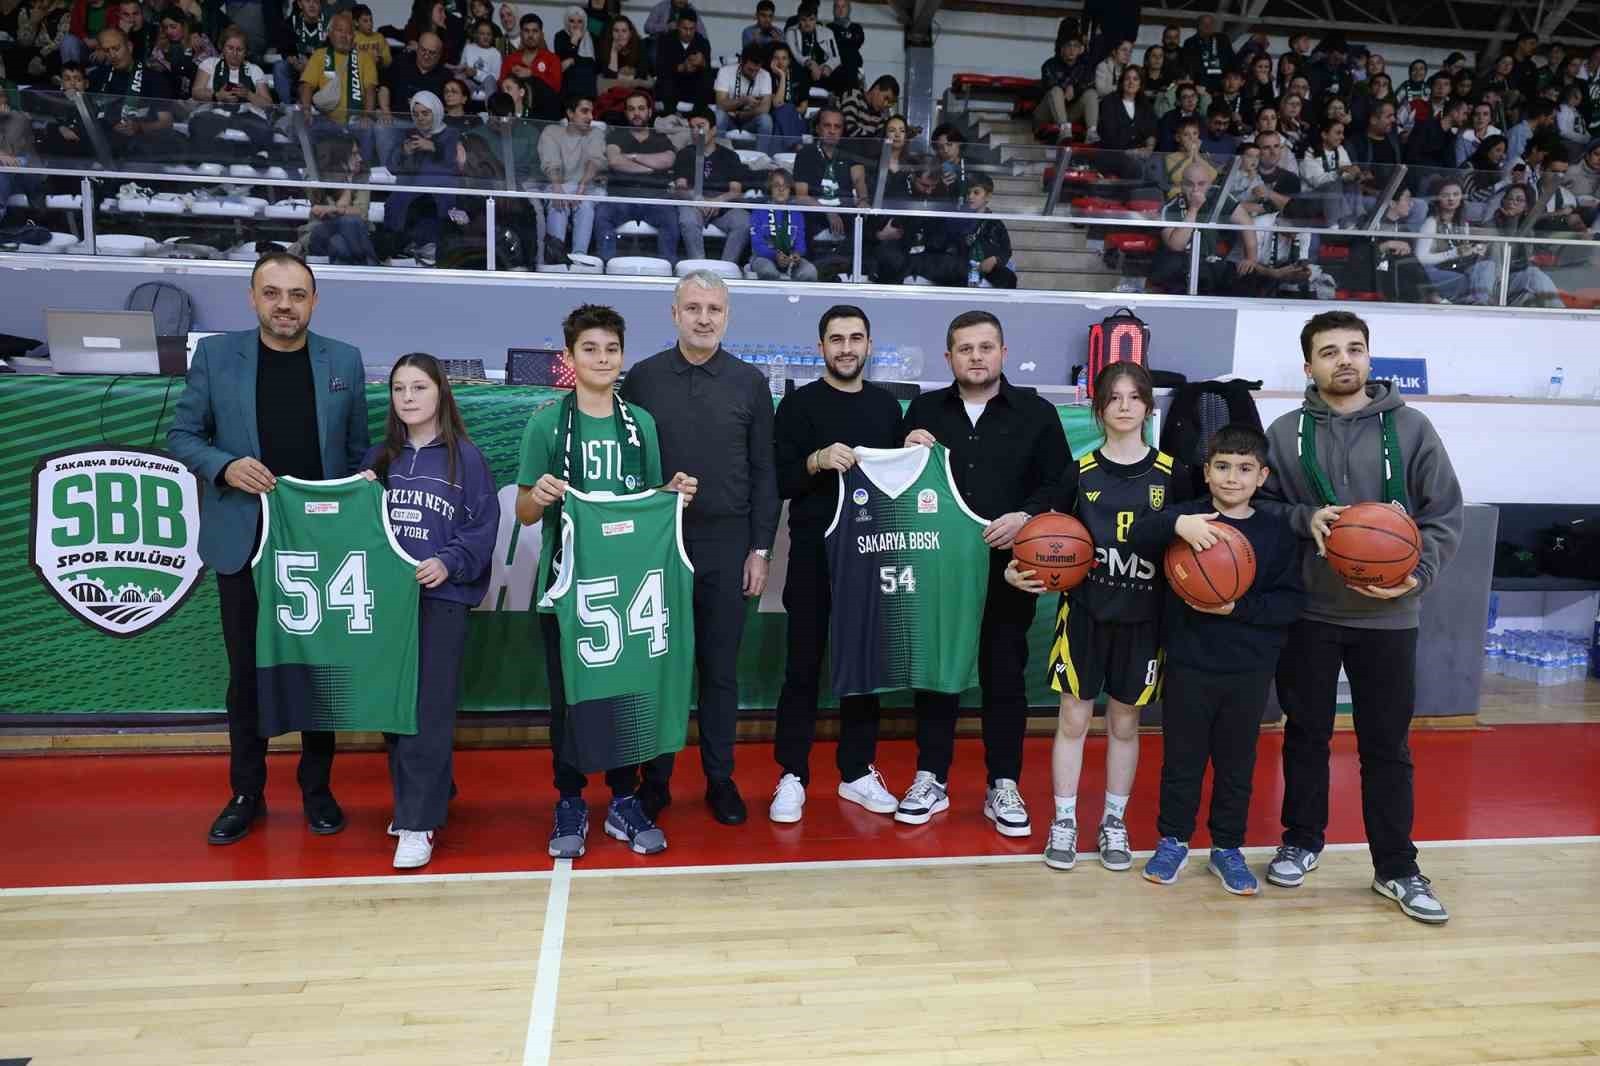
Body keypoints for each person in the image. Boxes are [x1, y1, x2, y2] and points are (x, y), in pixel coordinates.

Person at [1258, 310, 1464, 924]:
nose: (1344, 360)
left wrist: (1416, 575)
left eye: (1354, 348)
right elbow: (1260, 506)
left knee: (1386, 745)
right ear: (1309, 366)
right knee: (1306, 734)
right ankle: (1301, 840)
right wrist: (1305, 518)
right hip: (1311, 610)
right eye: (1329, 352)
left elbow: (1444, 514)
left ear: (1370, 358)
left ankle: (1396, 867)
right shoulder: (1285, 432)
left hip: (1390, 614)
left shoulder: (1413, 427)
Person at [166, 254, 368, 847]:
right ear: (252, 298)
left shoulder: (344, 360)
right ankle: (246, 793)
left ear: (314, 301)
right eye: (273, 293)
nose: (285, 305)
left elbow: (357, 449)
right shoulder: (216, 356)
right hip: (244, 539)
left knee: (319, 671)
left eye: (298, 294)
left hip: (319, 544)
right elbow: (183, 435)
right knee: (246, 675)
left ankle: (317, 788)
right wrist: (224, 466)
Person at [516, 304, 698, 859]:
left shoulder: (640, 424)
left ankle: (623, 799)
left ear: (623, 356)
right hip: (568, 586)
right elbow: (524, 511)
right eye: (589, 349)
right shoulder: (547, 424)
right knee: (570, 700)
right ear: (569, 357)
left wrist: (672, 493)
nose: (602, 359)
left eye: (611, 349)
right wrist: (538, 495)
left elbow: (649, 503)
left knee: (625, 692)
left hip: (629, 587)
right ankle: (570, 799)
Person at [1003, 362, 1188, 869]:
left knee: (1125, 723)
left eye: (1135, 397)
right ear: (1098, 408)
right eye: (1114, 397)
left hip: (1144, 619)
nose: (1124, 406)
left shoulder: (1174, 474)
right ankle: (1064, 820)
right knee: (1073, 717)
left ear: (1148, 407)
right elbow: (1043, 538)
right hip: (1084, 613)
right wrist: (1018, 570)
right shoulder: (1080, 472)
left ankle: (1113, 821)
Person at [897, 311, 1069, 835]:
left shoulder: (1036, 412)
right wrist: (904, 454)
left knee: (1004, 674)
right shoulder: (924, 411)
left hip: (1009, 567)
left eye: (986, 347)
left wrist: (1026, 518)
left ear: (1003, 353)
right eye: (965, 348)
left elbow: (1061, 484)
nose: (976, 356)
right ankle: (931, 776)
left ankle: (1004, 783)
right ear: (949, 357)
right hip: (940, 567)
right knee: (938, 672)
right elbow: (895, 490)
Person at [619, 272, 780, 826]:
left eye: (714, 309)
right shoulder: (643, 379)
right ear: (675, 313)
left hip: (727, 542)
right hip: (658, 542)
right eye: (693, 308)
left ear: (727, 316)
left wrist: (760, 548)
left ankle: (719, 778)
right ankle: (654, 780)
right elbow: (627, 463)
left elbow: (765, 471)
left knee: (719, 669)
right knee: (659, 667)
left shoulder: (749, 383)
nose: (704, 318)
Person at [1133, 425, 1304, 895]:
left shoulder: (1275, 532)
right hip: (1189, 661)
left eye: (1245, 469)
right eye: (1222, 467)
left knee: (1236, 764)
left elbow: (1290, 603)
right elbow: (1138, 535)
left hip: (1249, 668)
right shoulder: (1187, 516)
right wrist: (1177, 525)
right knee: (1181, 760)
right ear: (1206, 472)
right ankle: (1173, 841)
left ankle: (1227, 848)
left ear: (1262, 476)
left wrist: (1237, 608)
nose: (1232, 478)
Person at [358, 354, 497, 869]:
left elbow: (482, 527)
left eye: (419, 387)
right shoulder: (378, 459)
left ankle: (418, 821)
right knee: (394, 709)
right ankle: (423, 796)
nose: (408, 397)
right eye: (399, 388)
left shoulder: (467, 459)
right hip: (387, 605)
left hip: (440, 602)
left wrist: (448, 562)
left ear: (440, 392)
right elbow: (357, 528)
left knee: (427, 712)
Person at [767, 305, 904, 822]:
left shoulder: (887, 408)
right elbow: (781, 479)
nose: (847, 348)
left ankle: (857, 771)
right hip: (812, 555)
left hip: (870, 555)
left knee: (863, 666)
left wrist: (915, 448)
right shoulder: (798, 405)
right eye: (837, 339)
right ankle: (792, 775)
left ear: (869, 345)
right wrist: (816, 460)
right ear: (821, 346)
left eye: (856, 338)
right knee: (802, 665)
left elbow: (901, 483)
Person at [595, 88, 680, 263]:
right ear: (626, 112)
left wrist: (633, 157)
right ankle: (606, 265)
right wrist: (652, 166)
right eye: (631, 109)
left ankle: (668, 267)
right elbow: (615, 161)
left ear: (649, 112)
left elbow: (668, 161)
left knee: (671, 218)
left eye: (641, 108)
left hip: (655, 199)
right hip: (621, 197)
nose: (636, 113)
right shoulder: (616, 135)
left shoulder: (660, 138)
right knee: (602, 215)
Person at [383, 90, 459, 262]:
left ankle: (427, 246)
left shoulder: (451, 134)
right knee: (397, 201)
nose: (420, 118)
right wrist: (403, 152)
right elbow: (391, 166)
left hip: (439, 190)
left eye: (425, 113)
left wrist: (433, 147)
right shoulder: (408, 134)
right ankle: (402, 247)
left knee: (428, 203)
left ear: (436, 112)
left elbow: (456, 163)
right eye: (416, 114)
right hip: (410, 188)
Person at [86, 28, 182, 159]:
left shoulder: (154, 79)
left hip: (140, 149)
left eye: (116, 48)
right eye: (107, 51)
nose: (112, 55)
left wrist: (140, 127)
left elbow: (166, 122)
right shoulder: (96, 77)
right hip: (101, 146)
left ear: (129, 47)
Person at [673, 106, 750, 264]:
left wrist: (717, 201)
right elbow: (680, 188)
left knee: (744, 221)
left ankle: (726, 269)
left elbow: (736, 191)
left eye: (700, 126)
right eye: (692, 127)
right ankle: (698, 268)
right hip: (694, 205)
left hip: (722, 207)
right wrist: (698, 199)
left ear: (713, 130)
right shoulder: (684, 154)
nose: (696, 131)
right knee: (687, 220)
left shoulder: (730, 156)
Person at [537, 92, 605, 257]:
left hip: (587, 187)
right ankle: (555, 256)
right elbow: (551, 162)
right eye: (584, 111)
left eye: (591, 112)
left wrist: (582, 185)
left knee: (585, 205)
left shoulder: (595, 133)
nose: (590, 117)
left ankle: (579, 258)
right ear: (570, 113)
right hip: (558, 185)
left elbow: (595, 160)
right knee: (557, 203)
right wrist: (557, 187)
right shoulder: (552, 132)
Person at [189, 24, 273, 156]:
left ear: (246, 52)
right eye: (230, 48)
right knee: (199, 124)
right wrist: (218, 96)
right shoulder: (209, 64)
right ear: (222, 47)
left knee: (264, 129)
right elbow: (196, 92)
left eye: (239, 50)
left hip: (246, 117)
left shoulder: (255, 70)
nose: (234, 53)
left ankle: (257, 159)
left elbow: (268, 104)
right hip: (213, 114)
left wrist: (248, 94)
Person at [793, 105, 868, 252]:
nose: (832, 131)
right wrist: (829, 212)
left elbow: (859, 181)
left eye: (837, 127)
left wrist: (863, 200)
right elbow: (801, 196)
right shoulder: (806, 153)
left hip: (845, 213)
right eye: (827, 125)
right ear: (818, 128)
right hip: (815, 215)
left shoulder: (849, 152)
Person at [298, 135, 379, 264]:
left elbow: (362, 213)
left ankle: (363, 264)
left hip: (349, 235)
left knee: (340, 243)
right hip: (319, 231)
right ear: (340, 156)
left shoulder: (361, 176)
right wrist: (347, 188)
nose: (360, 158)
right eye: (354, 154)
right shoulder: (318, 177)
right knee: (350, 221)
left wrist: (349, 182)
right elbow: (327, 215)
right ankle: (370, 264)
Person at [300, 13, 378, 132]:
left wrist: (367, 116)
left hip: (356, 122)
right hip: (325, 120)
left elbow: (370, 90)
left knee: (369, 130)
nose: (344, 36)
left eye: (348, 32)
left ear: (353, 36)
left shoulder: (365, 58)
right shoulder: (319, 55)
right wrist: (306, 110)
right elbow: (307, 85)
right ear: (330, 33)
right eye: (339, 30)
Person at [1414, 178, 1485, 303]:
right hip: (1433, 272)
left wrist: (1474, 250)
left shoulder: (1462, 223)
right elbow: (1421, 258)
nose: (1451, 199)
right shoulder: (1431, 223)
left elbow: (1462, 252)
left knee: (1486, 267)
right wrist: (1453, 253)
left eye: (1456, 194)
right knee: (1464, 280)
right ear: (1437, 198)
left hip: (1456, 267)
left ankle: (1481, 301)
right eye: (1445, 195)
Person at [747, 167, 815, 280]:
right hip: (763, 258)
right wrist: (775, 255)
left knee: (810, 272)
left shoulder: (797, 213)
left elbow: (800, 243)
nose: (781, 189)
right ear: (770, 188)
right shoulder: (759, 210)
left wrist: (797, 254)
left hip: (790, 258)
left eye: (785, 186)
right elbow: (757, 244)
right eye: (776, 185)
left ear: (790, 189)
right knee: (768, 272)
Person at [950, 172, 1015, 288]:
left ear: (988, 197)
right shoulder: (958, 219)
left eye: (976, 192)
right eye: (968, 193)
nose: (970, 197)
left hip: (988, 270)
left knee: (1009, 278)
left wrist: (995, 259)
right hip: (962, 270)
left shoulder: (995, 223)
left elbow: (1006, 251)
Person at [1036, 35, 1097, 144]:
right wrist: (1066, 87)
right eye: (1069, 45)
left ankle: (1092, 132)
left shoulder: (1085, 66)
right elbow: (1050, 85)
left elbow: (1089, 84)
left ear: (1080, 50)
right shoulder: (1050, 64)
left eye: (1076, 46)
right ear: (1062, 48)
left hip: (1070, 112)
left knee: (1091, 93)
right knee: (1056, 90)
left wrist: (1074, 88)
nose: (1072, 49)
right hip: (1047, 113)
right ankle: (1064, 130)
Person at [379, 28, 449, 117]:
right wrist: (385, 110)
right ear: (417, 48)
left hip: (429, 123)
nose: (426, 56)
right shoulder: (400, 62)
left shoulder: (446, 76)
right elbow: (384, 87)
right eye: (423, 50)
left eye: (432, 53)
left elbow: (449, 107)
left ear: (439, 55)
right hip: (395, 119)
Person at [713, 43, 772, 143]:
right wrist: (744, 100)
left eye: (757, 70)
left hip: (750, 120)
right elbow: (721, 105)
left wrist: (745, 114)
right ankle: (719, 150)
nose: (753, 74)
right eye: (750, 70)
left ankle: (762, 153)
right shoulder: (725, 71)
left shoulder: (765, 75)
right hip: (729, 119)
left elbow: (765, 108)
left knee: (766, 120)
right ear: (741, 61)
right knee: (719, 116)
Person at [654, 6, 711, 112]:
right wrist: (681, 67)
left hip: (693, 84)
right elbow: (659, 68)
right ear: (677, 26)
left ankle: (698, 114)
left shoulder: (702, 42)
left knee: (706, 81)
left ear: (696, 27)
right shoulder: (665, 40)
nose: (688, 33)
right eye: (685, 28)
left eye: (692, 29)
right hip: (672, 83)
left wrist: (702, 63)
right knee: (665, 82)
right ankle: (669, 114)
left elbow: (708, 69)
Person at [274, 0, 327, 109]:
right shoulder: (291, 22)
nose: (312, 5)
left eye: (316, 1)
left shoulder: (329, 22)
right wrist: (293, 60)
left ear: (320, 4)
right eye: (307, 1)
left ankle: (324, 107)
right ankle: (289, 108)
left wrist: (312, 66)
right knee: (280, 67)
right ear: (299, 4)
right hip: (298, 65)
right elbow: (285, 50)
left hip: (322, 68)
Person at [595, 14, 651, 97]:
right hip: (613, 86)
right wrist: (614, 51)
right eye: (616, 31)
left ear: (630, 33)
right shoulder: (605, 46)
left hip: (635, 85)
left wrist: (622, 77)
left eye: (624, 31)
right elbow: (609, 75)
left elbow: (642, 72)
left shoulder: (639, 44)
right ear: (611, 33)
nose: (620, 34)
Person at [506, 12, 559, 96]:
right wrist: (513, 77)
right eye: (526, 31)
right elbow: (501, 86)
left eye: (535, 31)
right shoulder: (510, 60)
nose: (530, 35)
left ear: (541, 35)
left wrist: (532, 73)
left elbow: (556, 87)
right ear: (521, 34)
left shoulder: (552, 59)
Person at [1179, 13, 1232, 92]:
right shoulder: (1190, 43)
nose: (1208, 26)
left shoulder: (1222, 39)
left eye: (1211, 24)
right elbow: (1189, 67)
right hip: (1200, 87)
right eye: (1203, 24)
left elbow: (1231, 61)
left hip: (1222, 86)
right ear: (1197, 26)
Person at [839, 72, 897, 142]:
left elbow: (880, 140)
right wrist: (872, 140)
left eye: (889, 102)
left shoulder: (881, 114)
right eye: (885, 98)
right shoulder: (853, 96)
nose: (885, 104)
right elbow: (850, 131)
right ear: (876, 88)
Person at [553, 5, 596, 98]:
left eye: (579, 21)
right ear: (566, 22)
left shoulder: (591, 37)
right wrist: (574, 42)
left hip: (587, 83)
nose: (576, 25)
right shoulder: (560, 36)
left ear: (584, 23)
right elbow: (561, 62)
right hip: (567, 84)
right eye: (572, 21)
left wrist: (572, 60)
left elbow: (593, 64)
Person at [457, 17, 501, 99]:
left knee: (490, 80)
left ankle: (490, 105)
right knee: (458, 77)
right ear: (476, 35)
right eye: (482, 34)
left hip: (486, 86)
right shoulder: (468, 48)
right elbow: (462, 66)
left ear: (492, 36)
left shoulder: (495, 53)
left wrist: (476, 73)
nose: (485, 37)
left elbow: (496, 77)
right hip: (469, 82)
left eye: (488, 34)